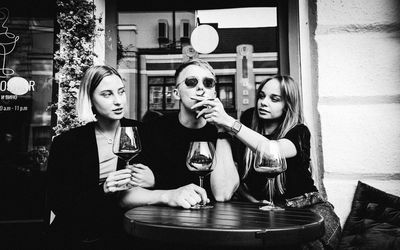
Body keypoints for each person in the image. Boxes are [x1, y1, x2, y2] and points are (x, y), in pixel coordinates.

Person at [191, 75, 341, 249]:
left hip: (309, 211)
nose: (264, 102)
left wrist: (230, 122)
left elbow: (271, 151)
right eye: (261, 96)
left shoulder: (299, 132)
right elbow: (228, 186)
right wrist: (221, 129)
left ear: (288, 105)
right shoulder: (247, 123)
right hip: (268, 215)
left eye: (274, 99)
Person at [47, 65, 154, 249]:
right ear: (90, 99)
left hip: (131, 234)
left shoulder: (144, 133)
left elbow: (173, 177)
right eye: (107, 94)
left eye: (121, 92)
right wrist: (103, 189)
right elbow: (59, 204)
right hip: (81, 238)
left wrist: (154, 179)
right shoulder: (68, 143)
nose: (118, 101)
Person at [121, 59, 239, 209]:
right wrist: (168, 193)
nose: (201, 88)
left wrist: (222, 128)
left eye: (208, 83)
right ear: (176, 93)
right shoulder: (153, 130)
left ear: (214, 93)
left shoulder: (223, 134)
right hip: (161, 223)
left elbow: (223, 194)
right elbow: (126, 196)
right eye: (191, 82)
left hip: (212, 224)